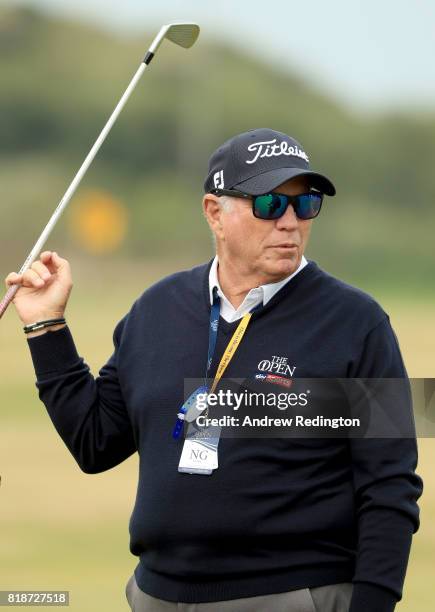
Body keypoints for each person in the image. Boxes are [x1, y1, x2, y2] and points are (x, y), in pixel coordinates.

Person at [5, 128, 423, 612]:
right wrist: (47, 327)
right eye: (269, 204)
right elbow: (95, 442)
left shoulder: (356, 322)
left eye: (305, 204)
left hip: (292, 596)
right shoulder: (156, 309)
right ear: (214, 213)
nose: (289, 222)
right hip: (158, 595)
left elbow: (389, 485)